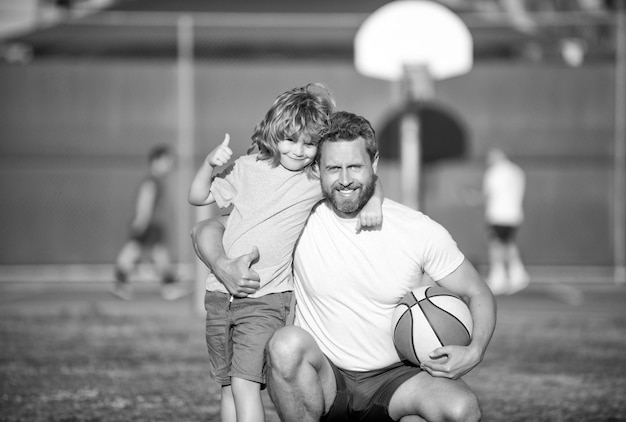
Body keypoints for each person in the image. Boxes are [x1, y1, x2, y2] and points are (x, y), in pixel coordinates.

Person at [193, 111, 497, 422]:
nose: (345, 179)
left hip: (397, 378)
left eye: (355, 166)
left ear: (374, 164)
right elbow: (208, 229)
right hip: (326, 377)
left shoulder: (418, 230)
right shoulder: (299, 217)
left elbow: (477, 292)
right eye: (333, 168)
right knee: (285, 345)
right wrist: (221, 263)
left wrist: (474, 351)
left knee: (461, 410)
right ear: (317, 170)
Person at [188, 86, 383, 422]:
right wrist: (208, 164)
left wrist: (375, 200)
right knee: (227, 386)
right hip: (219, 297)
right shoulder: (247, 167)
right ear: (272, 133)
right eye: (290, 140)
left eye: (309, 144)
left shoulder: (313, 179)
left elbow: (365, 178)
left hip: (266, 300)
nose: (299, 151)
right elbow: (197, 196)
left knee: (244, 384)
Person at [111, 145, 189, 301]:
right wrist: (141, 222)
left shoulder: (156, 181)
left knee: (136, 252)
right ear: (156, 161)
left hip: (150, 225)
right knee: (149, 253)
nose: (169, 166)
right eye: (167, 161)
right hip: (148, 225)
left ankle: (122, 284)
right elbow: (145, 203)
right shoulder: (152, 182)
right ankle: (169, 287)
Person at [483, 148, 529, 295]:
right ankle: (518, 274)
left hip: (498, 215)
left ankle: (498, 278)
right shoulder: (517, 171)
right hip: (514, 214)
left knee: (496, 244)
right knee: (508, 243)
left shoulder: (494, 172)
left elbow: (488, 193)